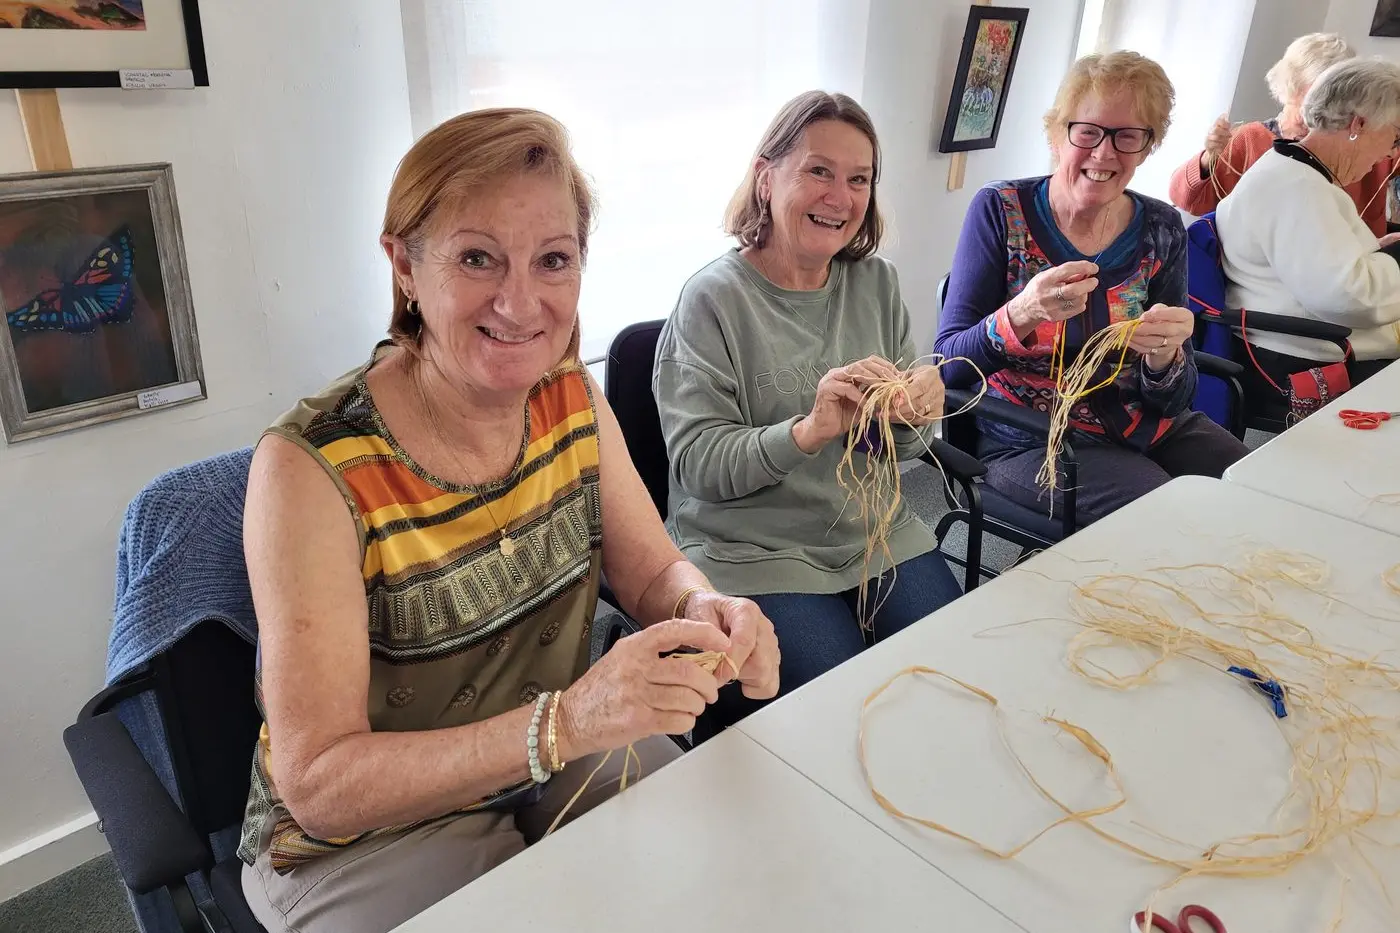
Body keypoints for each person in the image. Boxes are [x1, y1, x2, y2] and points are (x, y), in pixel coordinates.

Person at [237, 108, 779, 933]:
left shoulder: (570, 393)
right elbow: (319, 781)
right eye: (477, 257)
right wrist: (565, 722)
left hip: (554, 750)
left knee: (712, 873)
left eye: (553, 260)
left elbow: (651, 570)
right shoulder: (309, 468)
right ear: (405, 266)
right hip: (364, 835)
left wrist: (703, 606)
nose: (520, 302)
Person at [652, 91, 962, 739]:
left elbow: (900, 452)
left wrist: (914, 414)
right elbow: (700, 467)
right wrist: (808, 430)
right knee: (839, 712)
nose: (841, 196)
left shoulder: (874, 284)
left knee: (947, 674)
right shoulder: (712, 301)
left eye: (859, 179)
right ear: (767, 178)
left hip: (872, 533)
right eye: (819, 171)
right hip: (752, 549)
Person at [935, 51, 1249, 525]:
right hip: (1031, 439)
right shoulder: (1001, 210)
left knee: (1255, 487)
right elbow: (947, 366)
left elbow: (1174, 399)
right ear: (1058, 134)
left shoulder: (1161, 228)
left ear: (1148, 147)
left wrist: (1165, 358)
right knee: (1167, 513)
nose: (1104, 154)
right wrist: (1023, 312)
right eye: (1088, 132)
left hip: (1147, 426)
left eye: (1128, 136)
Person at [1217, 57, 1400, 400]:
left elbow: (1325, 267)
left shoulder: (1294, 174)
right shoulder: (1296, 188)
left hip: (1306, 348)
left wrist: (1380, 251)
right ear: (1358, 123)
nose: (1391, 152)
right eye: (1395, 136)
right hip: (1304, 362)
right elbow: (1348, 296)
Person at [1168, 33, 1396, 237]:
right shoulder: (1250, 139)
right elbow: (1186, 199)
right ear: (1293, 86)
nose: (1340, 101)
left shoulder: (1367, 140)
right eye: (1327, 87)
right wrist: (1209, 157)